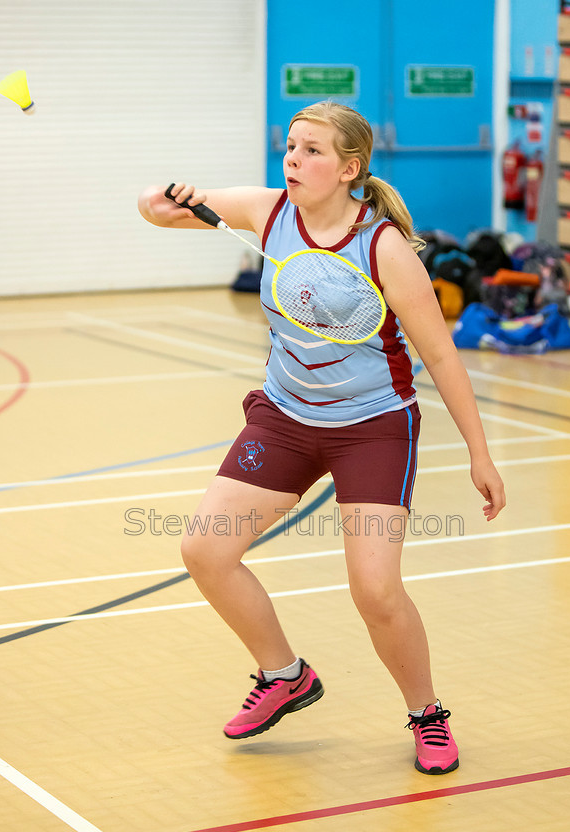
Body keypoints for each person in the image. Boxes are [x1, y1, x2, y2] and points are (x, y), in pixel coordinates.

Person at [138, 101, 505, 775]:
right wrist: (165, 196)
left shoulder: (382, 246)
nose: (293, 160)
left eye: (311, 151)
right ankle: (284, 676)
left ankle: (426, 714)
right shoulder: (267, 210)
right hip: (284, 416)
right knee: (206, 550)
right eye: (290, 147)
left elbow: (443, 357)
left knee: (374, 590)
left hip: (371, 428)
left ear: (348, 168)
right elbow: (154, 210)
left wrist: (480, 454)